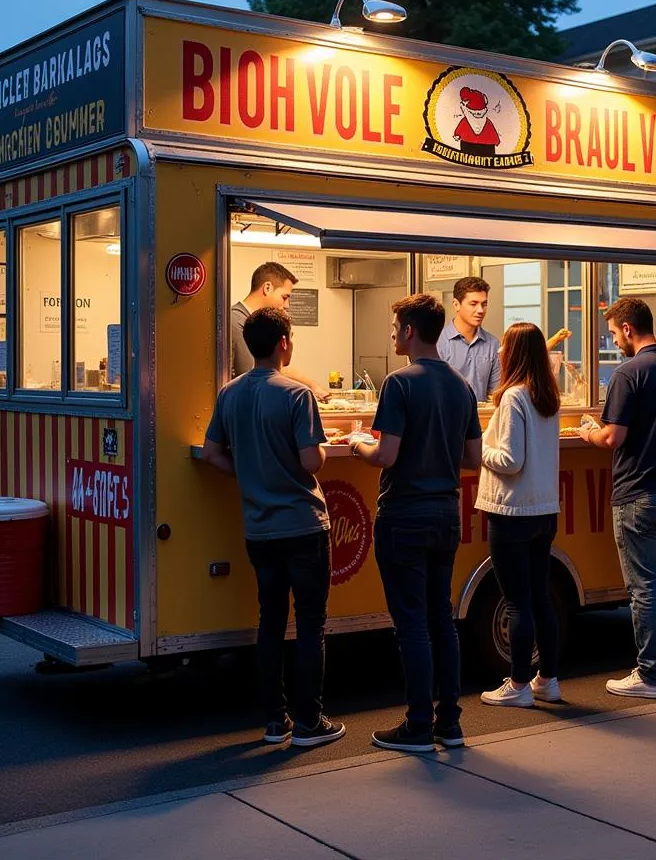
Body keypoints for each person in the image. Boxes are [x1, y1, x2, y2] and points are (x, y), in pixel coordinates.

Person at [201, 306, 346, 748]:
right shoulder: (296, 395)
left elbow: (211, 453)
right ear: (283, 343)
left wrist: (248, 473)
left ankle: (274, 721)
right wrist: (322, 453)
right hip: (303, 524)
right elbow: (309, 460)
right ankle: (309, 722)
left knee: (270, 622)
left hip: (259, 529)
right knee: (310, 624)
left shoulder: (229, 394)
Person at [351, 293, 483, 752]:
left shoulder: (399, 383)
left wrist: (357, 445)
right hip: (447, 514)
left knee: (411, 625)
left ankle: (417, 725)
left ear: (409, 331)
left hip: (404, 515)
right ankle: (450, 722)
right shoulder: (461, 386)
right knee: (442, 621)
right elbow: (473, 459)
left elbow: (384, 454)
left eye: (395, 329)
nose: (392, 336)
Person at [579, 297, 656, 698]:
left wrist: (587, 432)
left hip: (638, 493)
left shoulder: (628, 373)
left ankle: (649, 676)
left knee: (644, 587)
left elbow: (613, 436)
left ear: (629, 329)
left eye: (614, 333)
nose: (614, 340)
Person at [477, 322, 563, 708]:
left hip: (512, 511)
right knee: (540, 598)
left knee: (517, 602)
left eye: (504, 347)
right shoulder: (547, 396)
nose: (498, 353)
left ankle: (518, 685)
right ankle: (548, 679)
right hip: (544, 510)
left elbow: (510, 461)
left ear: (514, 354)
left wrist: (478, 447)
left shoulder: (513, 397)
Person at [230, 262, 330, 400]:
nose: (286, 305)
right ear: (267, 288)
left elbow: (271, 366)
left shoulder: (259, 324)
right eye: (284, 297)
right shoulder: (237, 321)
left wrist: (313, 386)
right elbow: (255, 370)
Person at [437, 276, 500, 400]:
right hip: (448, 418)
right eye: (473, 304)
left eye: (484, 304)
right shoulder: (438, 343)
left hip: (481, 418)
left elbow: (495, 395)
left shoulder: (493, 344)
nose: (480, 310)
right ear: (456, 304)